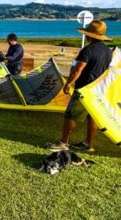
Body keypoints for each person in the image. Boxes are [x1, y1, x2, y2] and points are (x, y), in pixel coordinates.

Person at [47, 20, 112, 152]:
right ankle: (88, 144)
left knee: (70, 115)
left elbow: (78, 70)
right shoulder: (107, 51)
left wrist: (68, 83)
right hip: (98, 89)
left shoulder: (87, 50)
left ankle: (64, 142)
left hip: (84, 89)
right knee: (92, 117)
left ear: (89, 35)